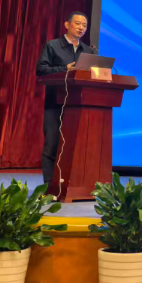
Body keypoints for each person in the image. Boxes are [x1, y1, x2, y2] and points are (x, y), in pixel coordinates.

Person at [35, 11, 96, 186]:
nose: (81, 28)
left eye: (84, 25)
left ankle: (73, 184)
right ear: (67, 25)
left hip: (79, 105)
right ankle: (49, 186)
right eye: (78, 24)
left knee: (75, 146)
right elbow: (41, 70)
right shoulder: (53, 46)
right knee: (52, 144)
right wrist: (64, 69)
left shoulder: (88, 51)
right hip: (55, 104)